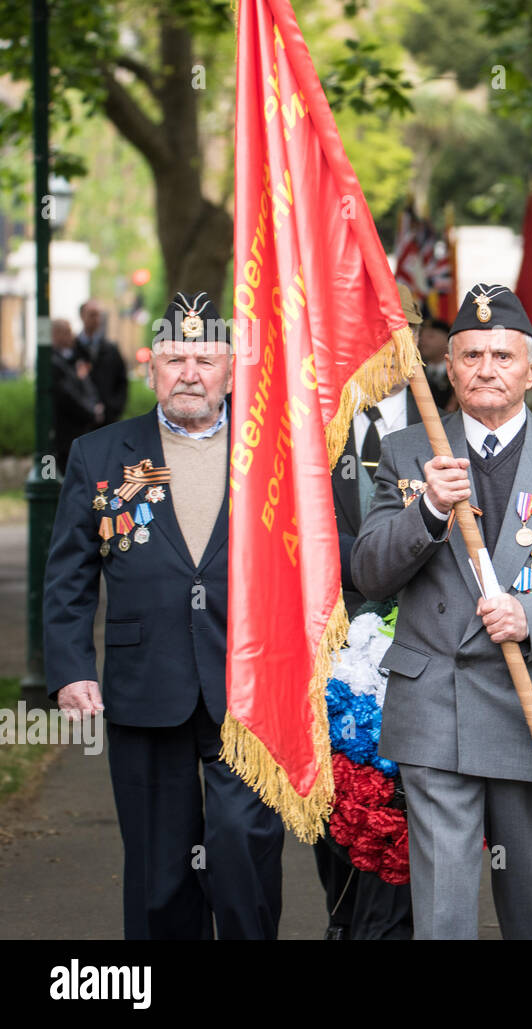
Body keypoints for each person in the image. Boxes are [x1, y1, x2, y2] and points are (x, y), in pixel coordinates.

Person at [350, 284, 532, 939]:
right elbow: (368, 570)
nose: (486, 368)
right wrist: (425, 510)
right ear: (448, 367)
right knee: (444, 913)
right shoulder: (406, 452)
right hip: (437, 708)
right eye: (472, 354)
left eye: (503, 356)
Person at [44, 291, 284, 939]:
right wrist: (70, 667)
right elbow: (69, 572)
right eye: (175, 357)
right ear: (150, 366)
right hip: (146, 682)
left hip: (249, 687)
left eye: (205, 359)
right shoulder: (100, 454)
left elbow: (310, 557)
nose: (190, 373)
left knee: (242, 847)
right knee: (160, 867)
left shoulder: (273, 452)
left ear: (232, 368)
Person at [316, 284, 428, 940]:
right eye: (366, 325)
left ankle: (390, 928)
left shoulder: (447, 417)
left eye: (398, 326)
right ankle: (343, 917)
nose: (383, 340)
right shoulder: (312, 417)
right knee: (339, 798)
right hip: (327, 638)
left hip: (417, 634)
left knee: (410, 800)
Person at [50, 318, 103, 474]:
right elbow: (68, 395)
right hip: (66, 432)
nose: (71, 336)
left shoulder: (74, 357)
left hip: (78, 428)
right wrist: (91, 411)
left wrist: (94, 406)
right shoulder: (54, 362)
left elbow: (85, 384)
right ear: (56, 335)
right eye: (67, 332)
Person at [76, 298, 129, 426]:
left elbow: (122, 381)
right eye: (92, 315)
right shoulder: (74, 349)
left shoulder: (111, 349)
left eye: (99, 315)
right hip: (80, 422)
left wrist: (114, 408)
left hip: (108, 419)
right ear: (82, 316)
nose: (96, 319)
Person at [418, 307, 455, 411]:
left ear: (447, 340)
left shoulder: (457, 371)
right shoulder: (414, 372)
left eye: (430, 336)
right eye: (421, 336)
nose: (422, 341)